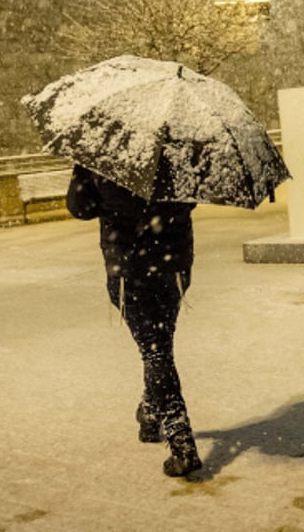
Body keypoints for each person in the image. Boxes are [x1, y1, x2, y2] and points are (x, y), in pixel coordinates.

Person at [66, 163, 202, 478]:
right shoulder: (179, 151)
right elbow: (192, 199)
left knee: (155, 350)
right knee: (159, 345)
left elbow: (80, 208)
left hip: (130, 270)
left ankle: (181, 440)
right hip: (174, 266)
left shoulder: (104, 156)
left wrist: (83, 171)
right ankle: (151, 411)